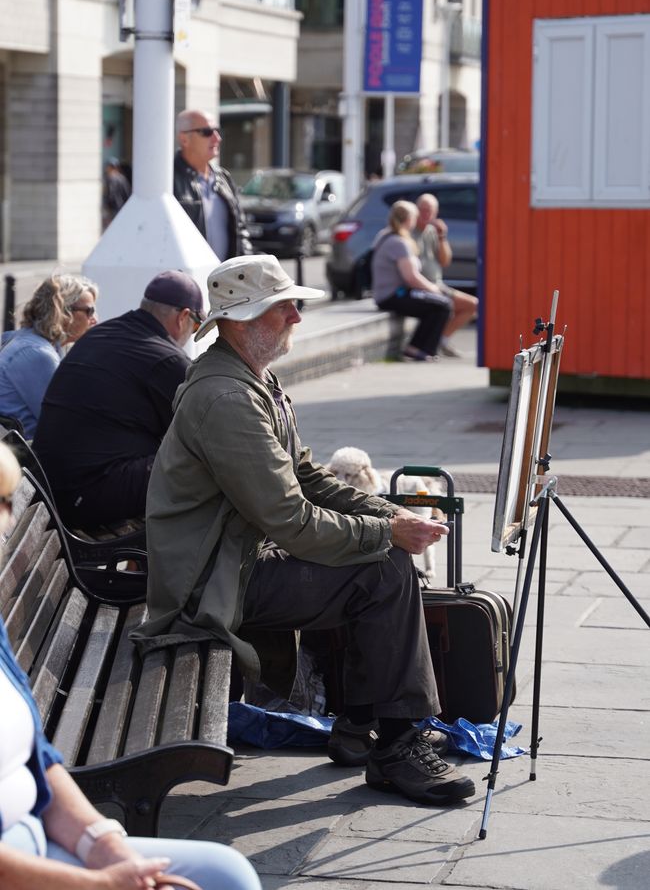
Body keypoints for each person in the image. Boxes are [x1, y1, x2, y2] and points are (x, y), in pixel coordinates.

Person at [131, 254, 475, 808]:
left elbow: (307, 475)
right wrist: (386, 537)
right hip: (208, 584)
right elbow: (291, 520)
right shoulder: (227, 398)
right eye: (285, 306)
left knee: (381, 560)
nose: (296, 316)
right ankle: (394, 744)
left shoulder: (251, 378)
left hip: (229, 562)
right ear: (243, 321)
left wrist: (390, 516)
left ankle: (364, 727)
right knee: (384, 571)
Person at [0, 441, 261, 890]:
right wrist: (104, 884)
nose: (4, 521)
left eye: (5, 502)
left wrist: (109, 850)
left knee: (226, 873)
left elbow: (38, 760)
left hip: (37, 842)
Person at [33, 270, 205, 529]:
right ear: (183, 317)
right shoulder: (167, 360)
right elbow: (208, 431)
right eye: (196, 326)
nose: (191, 334)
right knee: (200, 462)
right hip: (86, 495)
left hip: (55, 489)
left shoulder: (101, 334)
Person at [0, 275, 98, 438]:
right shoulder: (36, 354)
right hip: (27, 458)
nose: (94, 319)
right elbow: (67, 422)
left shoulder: (28, 342)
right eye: (89, 311)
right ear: (64, 312)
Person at [371, 200, 452, 361]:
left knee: (438, 304)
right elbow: (411, 277)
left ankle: (419, 347)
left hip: (391, 294)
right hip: (393, 296)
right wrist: (433, 288)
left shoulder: (386, 235)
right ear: (409, 220)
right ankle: (418, 349)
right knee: (443, 305)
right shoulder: (398, 243)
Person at [173, 109, 251, 260]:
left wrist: (246, 269)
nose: (217, 138)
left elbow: (241, 231)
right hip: (189, 280)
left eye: (217, 130)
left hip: (225, 280)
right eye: (207, 132)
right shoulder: (168, 179)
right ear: (184, 139)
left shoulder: (223, 178)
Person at [412, 193, 479, 358]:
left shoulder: (432, 232)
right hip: (422, 285)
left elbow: (445, 260)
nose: (426, 215)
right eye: (423, 210)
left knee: (473, 305)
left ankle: (442, 340)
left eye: (431, 211)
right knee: (455, 305)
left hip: (437, 283)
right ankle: (438, 342)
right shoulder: (410, 231)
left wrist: (442, 236)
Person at [102, 157, 132, 228]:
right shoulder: (121, 178)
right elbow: (128, 193)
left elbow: (111, 195)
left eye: (109, 167)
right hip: (117, 208)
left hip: (114, 209)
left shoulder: (114, 179)